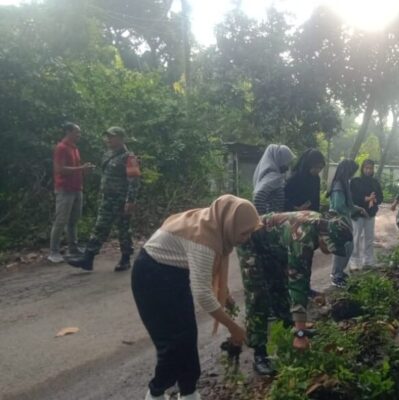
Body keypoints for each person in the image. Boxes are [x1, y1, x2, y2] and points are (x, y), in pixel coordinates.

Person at [132, 195, 260, 400]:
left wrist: (224, 292)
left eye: (249, 233)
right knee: (172, 345)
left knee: (188, 337)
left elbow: (210, 270)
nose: (246, 238)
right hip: (151, 277)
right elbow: (203, 295)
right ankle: (156, 392)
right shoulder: (204, 239)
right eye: (243, 233)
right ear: (230, 224)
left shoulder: (215, 223)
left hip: (174, 274)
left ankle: (189, 391)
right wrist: (233, 327)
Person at [237, 211, 352, 376]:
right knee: (258, 296)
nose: (330, 251)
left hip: (275, 248)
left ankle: (288, 331)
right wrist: (301, 333)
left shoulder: (319, 223)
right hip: (251, 241)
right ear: (325, 236)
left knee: (280, 288)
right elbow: (298, 285)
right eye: (330, 246)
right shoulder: (303, 236)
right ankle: (259, 353)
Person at [66, 127, 140, 272]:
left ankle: (125, 258)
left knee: (123, 229)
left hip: (121, 199)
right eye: (107, 137)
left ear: (121, 138)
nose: (108, 140)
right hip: (108, 198)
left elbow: (134, 180)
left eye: (112, 137)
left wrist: (130, 200)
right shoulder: (108, 154)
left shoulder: (129, 157)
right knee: (100, 227)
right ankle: (88, 258)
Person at [48, 122, 94, 263]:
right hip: (64, 189)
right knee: (60, 221)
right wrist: (81, 168)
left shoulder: (75, 148)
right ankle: (53, 252)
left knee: (73, 221)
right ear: (68, 132)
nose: (79, 135)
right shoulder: (61, 148)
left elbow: (75, 168)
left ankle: (73, 247)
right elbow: (59, 170)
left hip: (76, 188)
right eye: (77, 132)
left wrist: (84, 170)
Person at [327, 159, 366, 287]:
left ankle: (339, 272)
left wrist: (357, 209)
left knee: (348, 247)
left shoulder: (344, 183)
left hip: (344, 220)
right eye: (352, 171)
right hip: (339, 221)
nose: (353, 174)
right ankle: (335, 275)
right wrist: (352, 210)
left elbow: (347, 205)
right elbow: (339, 206)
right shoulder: (339, 185)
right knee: (342, 248)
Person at [350, 159, 383, 269]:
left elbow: (381, 197)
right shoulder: (355, 181)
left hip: (371, 213)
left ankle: (368, 260)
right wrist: (366, 198)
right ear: (362, 168)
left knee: (369, 237)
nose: (369, 170)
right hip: (358, 213)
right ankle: (354, 261)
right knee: (356, 237)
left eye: (371, 168)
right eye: (366, 168)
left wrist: (374, 200)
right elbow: (352, 197)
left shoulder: (375, 182)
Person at [252, 144, 295, 214]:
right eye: (286, 163)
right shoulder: (273, 177)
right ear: (279, 160)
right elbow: (258, 199)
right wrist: (266, 218)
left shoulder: (267, 176)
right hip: (271, 222)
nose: (287, 167)